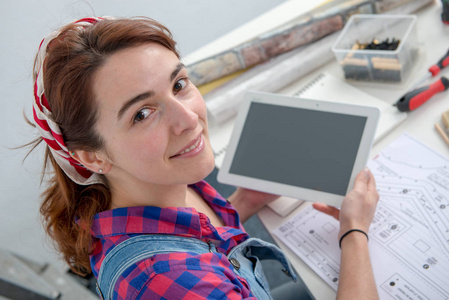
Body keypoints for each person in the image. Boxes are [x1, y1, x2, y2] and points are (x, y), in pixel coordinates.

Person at [29, 16, 380, 299]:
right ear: (91, 157)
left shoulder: (157, 178)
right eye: (142, 114)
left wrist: (243, 202)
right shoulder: (167, 284)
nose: (189, 119)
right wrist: (354, 232)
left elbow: (193, 239)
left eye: (179, 84)